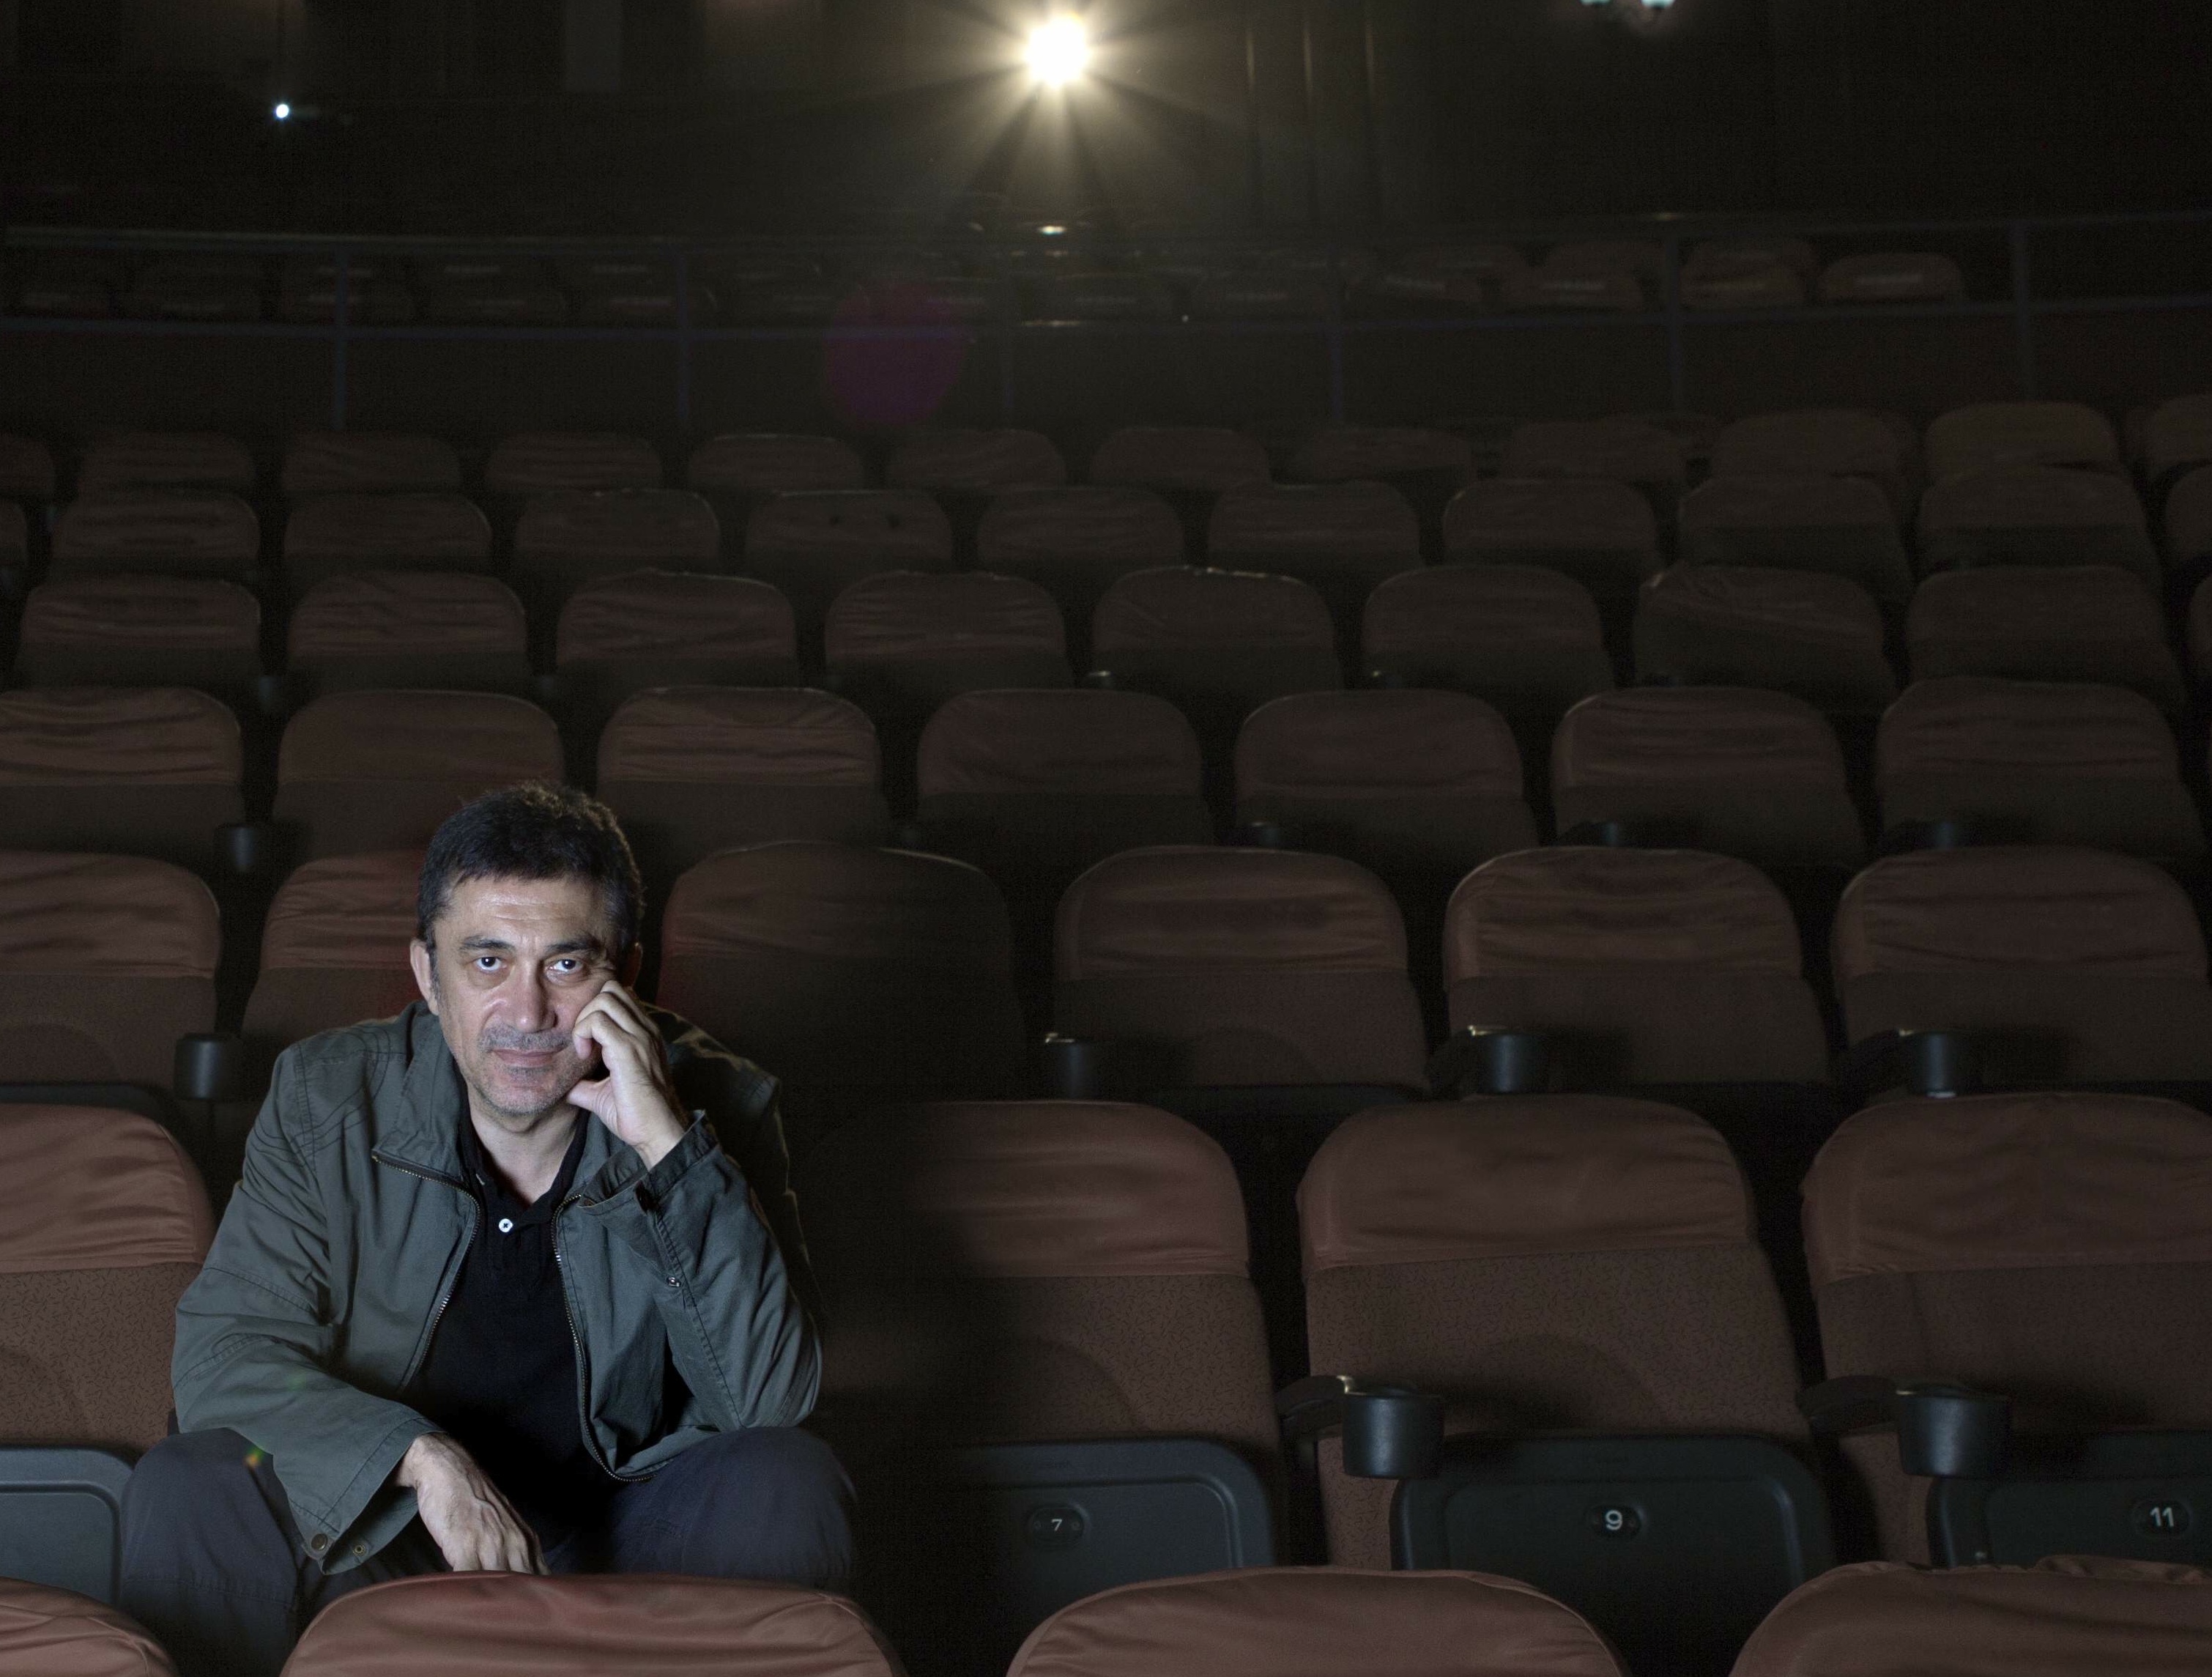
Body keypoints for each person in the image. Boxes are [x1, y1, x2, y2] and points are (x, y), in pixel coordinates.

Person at [119, 783, 851, 1677]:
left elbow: (769, 1402)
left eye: (567, 964)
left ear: (627, 974)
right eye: (489, 962)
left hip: (631, 1538)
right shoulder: (326, 1099)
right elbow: (224, 1357)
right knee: (194, 1479)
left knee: (784, 1477)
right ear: (429, 976)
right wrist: (417, 1458)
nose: (528, 1014)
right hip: (391, 1535)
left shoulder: (717, 1104)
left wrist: (666, 1148)